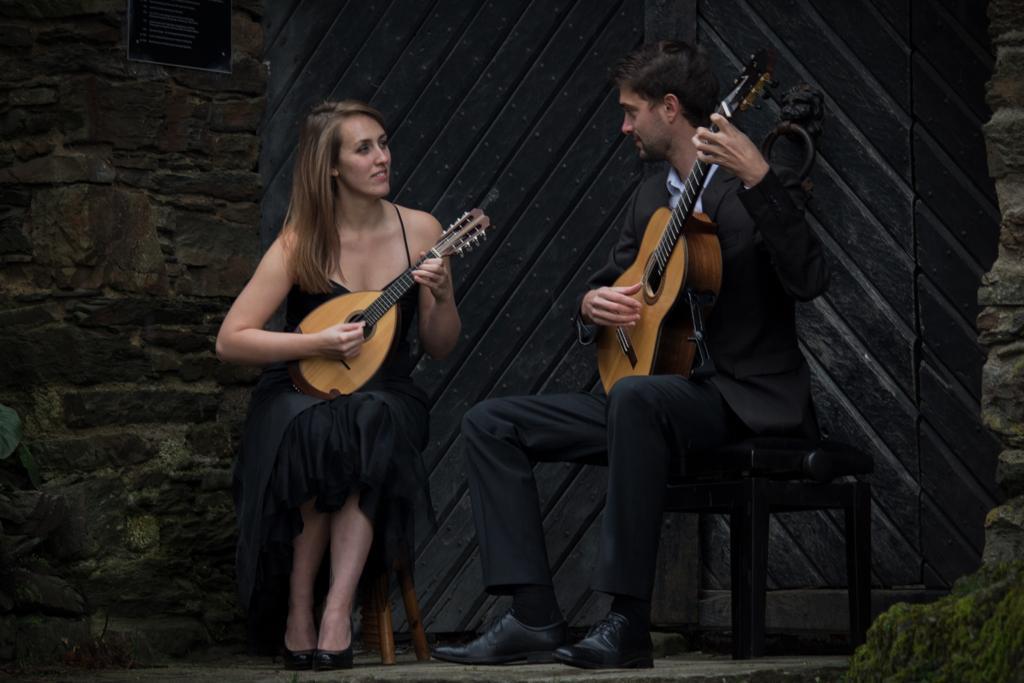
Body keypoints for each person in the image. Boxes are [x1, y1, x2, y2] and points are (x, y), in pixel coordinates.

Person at [432, 41, 829, 670]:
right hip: (654, 390)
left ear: (669, 109)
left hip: (739, 398)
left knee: (636, 400)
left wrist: (758, 178)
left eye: (630, 111)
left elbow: (810, 279)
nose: (623, 126)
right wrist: (591, 305)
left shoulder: (749, 182)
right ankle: (534, 614)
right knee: (490, 423)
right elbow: (616, 283)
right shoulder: (650, 197)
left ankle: (627, 621)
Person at [216, 100, 459, 671]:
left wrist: (443, 294)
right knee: (320, 425)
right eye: (364, 148)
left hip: (387, 392)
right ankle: (300, 610)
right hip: (300, 387)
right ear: (331, 166)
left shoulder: (420, 229)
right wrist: (315, 345)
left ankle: (336, 609)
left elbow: (442, 346)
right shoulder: (302, 241)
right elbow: (231, 340)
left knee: (367, 419)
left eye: (383, 142)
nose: (383, 157)